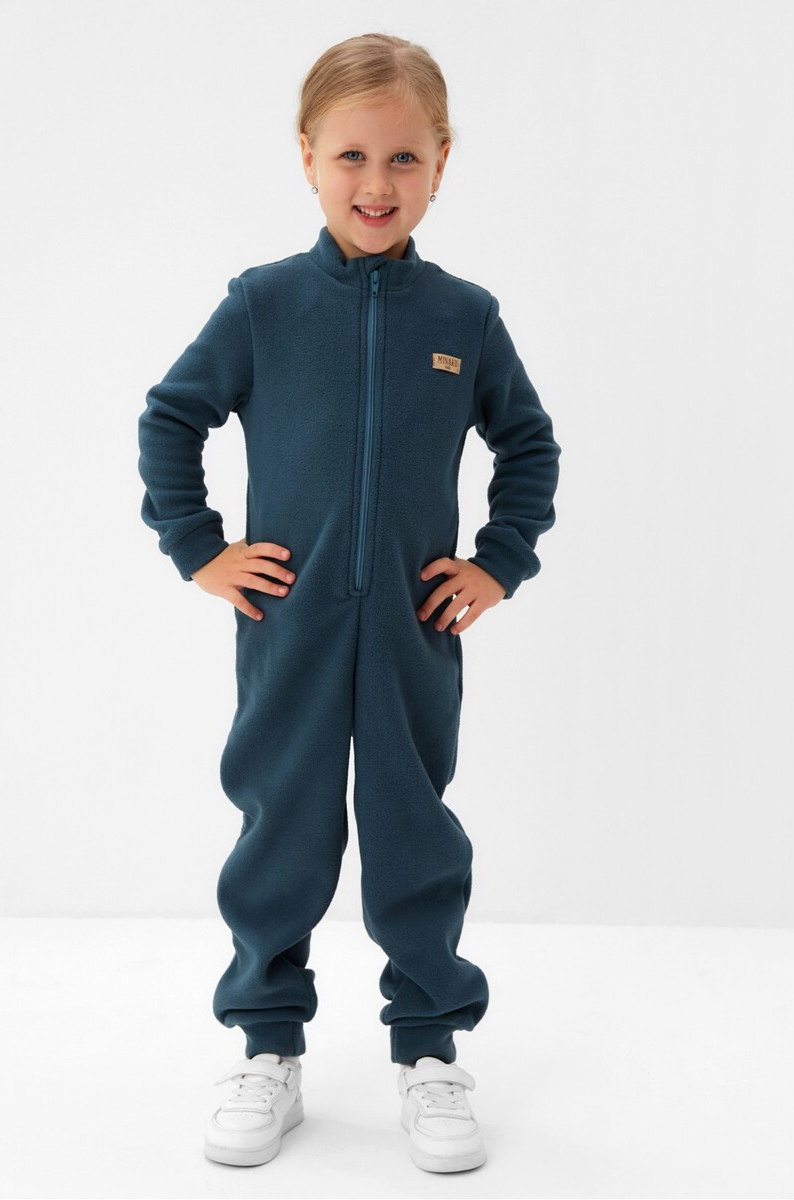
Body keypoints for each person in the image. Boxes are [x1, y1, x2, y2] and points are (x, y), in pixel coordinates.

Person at [137, 32, 560, 1174]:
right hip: (290, 627)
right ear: (309, 157)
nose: (378, 184)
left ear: (442, 161)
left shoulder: (465, 318)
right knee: (282, 826)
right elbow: (172, 417)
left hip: (416, 632)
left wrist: (498, 562)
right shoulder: (264, 304)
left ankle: (429, 1050)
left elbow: (527, 444)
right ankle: (266, 1045)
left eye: (405, 158)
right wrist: (200, 549)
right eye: (353, 157)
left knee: (414, 830)